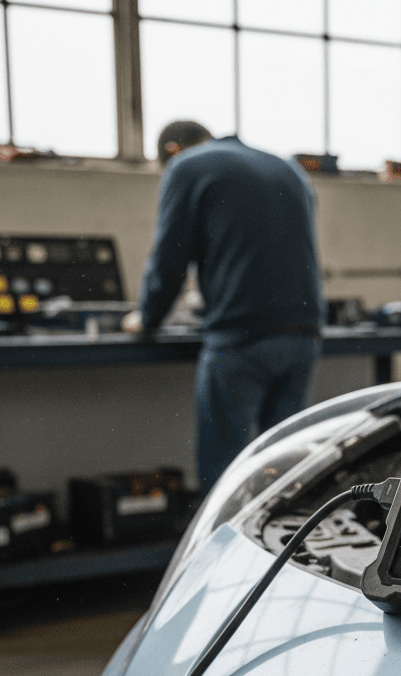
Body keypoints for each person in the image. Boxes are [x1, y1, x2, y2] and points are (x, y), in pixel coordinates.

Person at [124, 120, 326, 494]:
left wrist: (146, 317)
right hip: (303, 334)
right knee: (284, 468)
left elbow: (169, 257)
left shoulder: (188, 166)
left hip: (242, 336)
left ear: (172, 150)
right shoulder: (286, 167)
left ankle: (220, 550)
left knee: (224, 472)